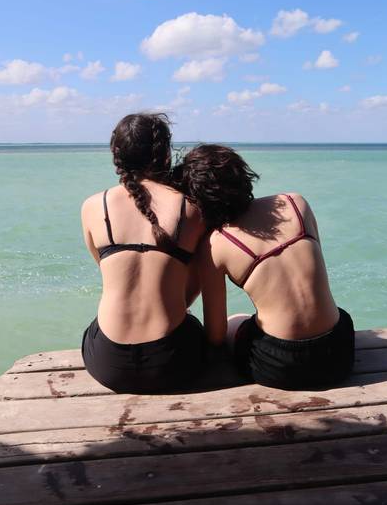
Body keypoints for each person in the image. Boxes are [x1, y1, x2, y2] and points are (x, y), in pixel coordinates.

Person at [175, 144, 355, 390]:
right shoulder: (296, 204)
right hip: (339, 352)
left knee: (236, 320)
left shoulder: (216, 245)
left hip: (281, 366)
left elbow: (216, 335)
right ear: (242, 175)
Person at [80, 113, 207, 393]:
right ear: (165, 155)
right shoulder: (191, 210)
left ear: (117, 155)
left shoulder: (93, 206)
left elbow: (106, 270)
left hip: (108, 362)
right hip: (171, 363)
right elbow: (194, 285)